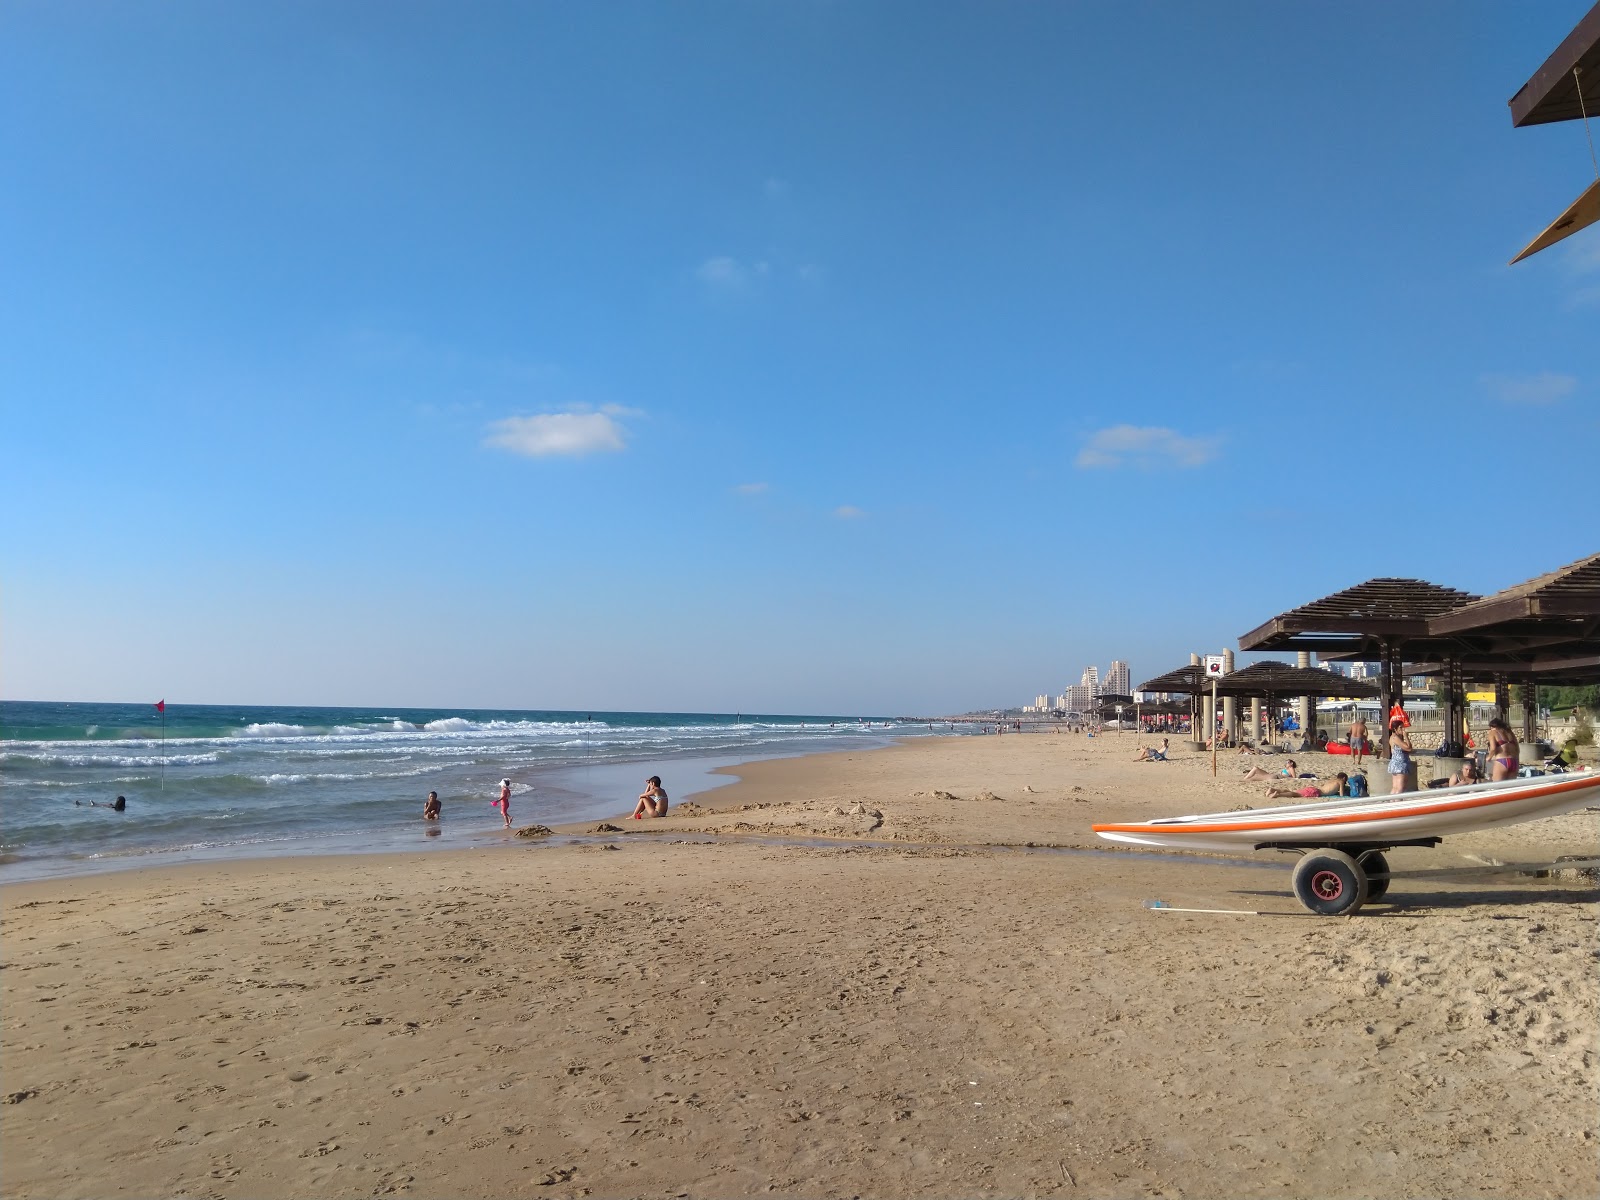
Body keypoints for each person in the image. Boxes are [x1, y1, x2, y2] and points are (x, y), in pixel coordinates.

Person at [1267, 772, 1349, 799]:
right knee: (1294, 794)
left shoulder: (1332, 780)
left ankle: (1274, 789)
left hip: (1314, 789)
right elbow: (1341, 795)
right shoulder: (1341, 781)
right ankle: (1277, 794)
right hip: (1316, 792)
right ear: (1344, 778)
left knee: (1293, 792)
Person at [1485, 717, 1520, 782]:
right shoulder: (1510, 732)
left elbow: (1493, 748)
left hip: (1502, 761)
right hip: (1514, 761)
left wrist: (1489, 758)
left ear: (1493, 726)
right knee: (1510, 788)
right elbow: (1517, 749)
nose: (1491, 729)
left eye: (1491, 727)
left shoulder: (1493, 732)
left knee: (1497, 787)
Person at [1387, 719, 1414, 794]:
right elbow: (1408, 748)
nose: (1403, 730)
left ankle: (1392, 802)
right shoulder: (1395, 738)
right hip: (1400, 764)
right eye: (1400, 728)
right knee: (1400, 787)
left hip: (1395, 763)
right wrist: (1406, 737)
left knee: (1395, 787)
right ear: (1395, 729)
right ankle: (1397, 802)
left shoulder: (1393, 737)